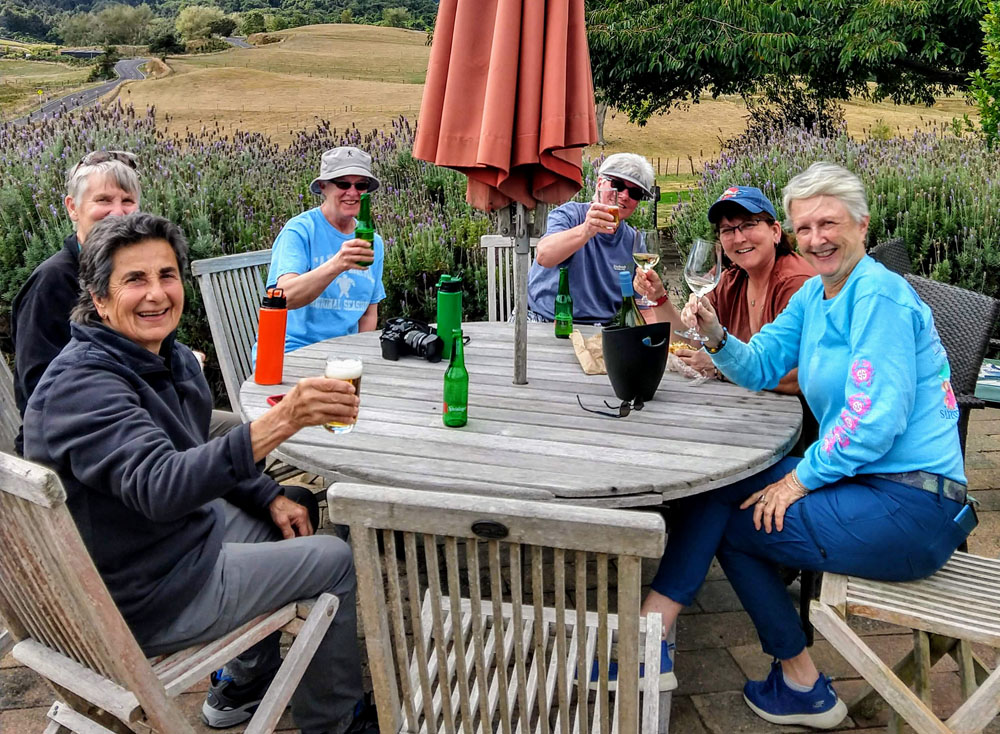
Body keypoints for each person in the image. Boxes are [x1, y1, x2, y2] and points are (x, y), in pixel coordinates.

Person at [643, 163, 973, 729]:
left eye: (829, 223)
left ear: (862, 226)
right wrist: (717, 335)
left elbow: (873, 422)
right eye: (806, 228)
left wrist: (798, 479)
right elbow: (762, 364)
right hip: (867, 486)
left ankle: (657, 636)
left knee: (728, 519)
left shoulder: (879, 298)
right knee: (721, 489)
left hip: (914, 507)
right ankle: (788, 679)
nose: (817, 239)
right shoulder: (817, 298)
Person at [23, 213, 375, 734]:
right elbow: (163, 487)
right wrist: (283, 419)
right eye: (134, 280)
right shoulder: (84, 387)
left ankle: (246, 684)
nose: (156, 294)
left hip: (156, 548)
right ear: (98, 298)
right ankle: (336, 722)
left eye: (167, 275)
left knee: (280, 515)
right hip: (142, 598)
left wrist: (268, 496)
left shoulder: (162, 357)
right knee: (333, 557)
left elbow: (197, 445)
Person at [10, 150, 140, 453]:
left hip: (138, 418)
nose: (117, 212)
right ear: (72, 207)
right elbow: (37, 392)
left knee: (238, 433)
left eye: (127, 201)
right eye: (104, 200)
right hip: (77, 443)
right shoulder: (51, 283)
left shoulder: (133, 275)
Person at [636, 186, 815, 392]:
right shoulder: (729, 276)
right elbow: (690, 342)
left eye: (748, 224)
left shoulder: (796, 283)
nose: (738, 238)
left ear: (775, 231)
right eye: (727, 230)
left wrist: (721, 368)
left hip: (795, 418)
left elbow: (802, 377)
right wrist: (658, 297)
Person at [261, 146, 386, 355]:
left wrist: (359, 356)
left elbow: (368, 314)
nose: (353, 192)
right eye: (343, 183)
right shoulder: (300, 230)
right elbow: (284, 297)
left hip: (344, 356)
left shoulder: (374, 242)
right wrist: (338, 264)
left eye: (361, 185)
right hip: (294, 352)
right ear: (323, 187)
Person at [526, 153, 656, 324]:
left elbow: (643, 305)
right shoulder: (569, 215)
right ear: (600, 184)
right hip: (544, 320)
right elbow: (544, 256)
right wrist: (586, 230)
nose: (624, 195)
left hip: (600, 329)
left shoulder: (633, 241)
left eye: (635, 192)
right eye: (617, 185)